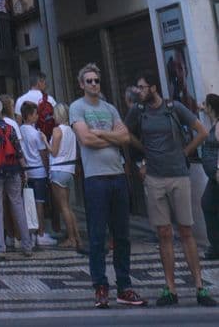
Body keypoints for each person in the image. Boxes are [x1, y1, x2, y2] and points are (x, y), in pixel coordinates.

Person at [126, 68, 214, 307]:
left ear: (153, 88)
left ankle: (199, 286)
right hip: (154, 177)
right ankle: (171, 288)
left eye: (143, 87)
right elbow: (127, 135)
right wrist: (141, 161)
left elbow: (202, 131)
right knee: (163, 233)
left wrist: (184, 153)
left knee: (186, 230)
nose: (139, 91)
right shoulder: (138, 111)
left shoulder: (174, 108)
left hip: (178, 175)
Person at [69, 61, 145, 309]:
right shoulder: (76, 107)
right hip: (95, 179)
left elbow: (125, 137)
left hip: (117, 176)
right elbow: (85, 138)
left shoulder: (110, 107)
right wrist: (110, 138)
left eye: (96, 80)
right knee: (97, 235)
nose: (93, 84)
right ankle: (100, 286)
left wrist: (101, 135)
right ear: (81, 84)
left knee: (122, 235)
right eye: (89, 81)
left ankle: (124, 286)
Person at [0, 94, 31, 256]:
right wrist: (25, 170)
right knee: (17, 204)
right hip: (13, 169)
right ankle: (27, 245)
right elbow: (18, 150)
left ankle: (1, 247)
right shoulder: (10, 126)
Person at [19, 101, 54, 246]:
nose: (37, 116)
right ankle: (40, 233)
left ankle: (31, 233)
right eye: (35, 113)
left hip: (27, 171)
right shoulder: (36, 134)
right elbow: (43, 154)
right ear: (29, 115)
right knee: (39, 203)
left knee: (28, 203)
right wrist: (47, 170)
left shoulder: (20, 130)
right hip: (39, 171)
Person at [48, 102, 80, 249]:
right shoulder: (72, 131)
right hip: (69, 170)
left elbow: (53, 151)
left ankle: (71, 238)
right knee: (68, 206)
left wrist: (44, 140)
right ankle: (77, 236)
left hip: (58, 169)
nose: (53, 116)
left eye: (55, 113)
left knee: (63, 207)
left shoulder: (57, 130)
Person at [201, 93, 219, 261]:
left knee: (208, 203)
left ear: (211, 107)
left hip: (217, 175)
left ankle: (216, 246)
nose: (203, 106)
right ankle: (215, 246)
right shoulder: (212, 122)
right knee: (208, 204)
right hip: (214, 177)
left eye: (205, 104)